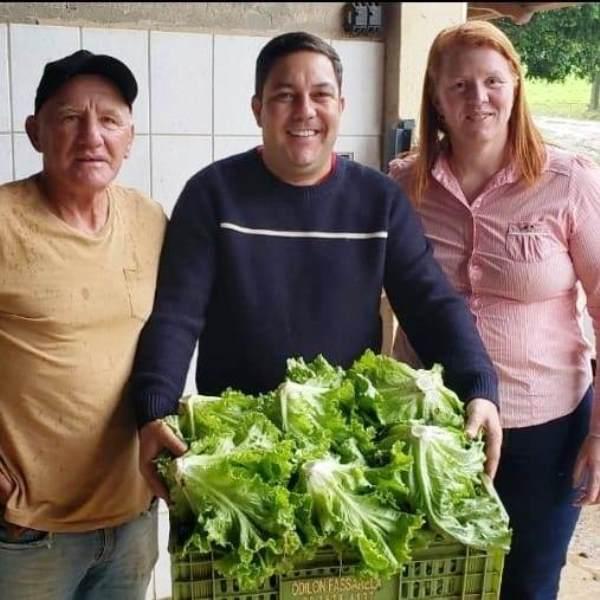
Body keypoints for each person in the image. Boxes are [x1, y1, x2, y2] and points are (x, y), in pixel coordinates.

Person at [128, 31, 502, 503]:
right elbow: (176, 316)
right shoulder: (212, 194)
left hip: (345, 457)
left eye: (321, 94)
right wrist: (154, 408)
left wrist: (478, 385)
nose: (305, 110)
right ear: (257, 108)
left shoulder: (378, 200)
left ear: (340, 106)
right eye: (285, 95)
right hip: (236, 453)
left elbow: (431, 304)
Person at [388, 20, 600, 600]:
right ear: (435, 97)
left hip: (545, 428)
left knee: (528, 583)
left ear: (515, 85)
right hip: (434, 429)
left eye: (491, 81)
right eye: (458, 86)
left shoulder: (569, 180)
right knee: (430, 582)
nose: (477, 98)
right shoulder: (404, 185)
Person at [0, 50, 167, 600]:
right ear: (34, 131)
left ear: (130, 135)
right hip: (28, 534)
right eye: (70, 117)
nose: (92, 135)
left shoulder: (149, 219)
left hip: (132, 521)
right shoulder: (4, 221)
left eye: (110, 119)